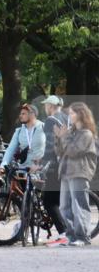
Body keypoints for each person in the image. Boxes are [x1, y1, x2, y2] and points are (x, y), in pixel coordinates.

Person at [53, 102, 97, 247]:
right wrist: (58, 137)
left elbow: (73, 151)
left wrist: (64, 137)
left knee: (79, 205)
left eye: (72, 113)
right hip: (66, 172)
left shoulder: (86, 134)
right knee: (64, 207)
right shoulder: (71, 132)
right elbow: (59, 152)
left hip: (79, 172)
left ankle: (83, 237)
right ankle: (71, 236)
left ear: (81, 114)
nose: (69, 116)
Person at [40, 96, 70, 247]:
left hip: (56, 166)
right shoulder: (66, 117)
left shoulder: (50, 120)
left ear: (51, 106)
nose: (45, 108)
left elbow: (50, 146)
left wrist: (43, 164)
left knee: (49, 201)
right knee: (61, 200)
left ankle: (64, 233)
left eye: (46, 105)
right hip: (69, 164)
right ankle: (69, 232)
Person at [0, 103, 46, 171]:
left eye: (23, 114)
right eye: (20, 114)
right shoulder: (19, 131)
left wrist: (43, 162)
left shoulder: (44, 127)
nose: (20, 116)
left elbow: (53, 150)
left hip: (40, 171)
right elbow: (10, 150)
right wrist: (2, 166)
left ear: (32, 114)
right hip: (23, 171)